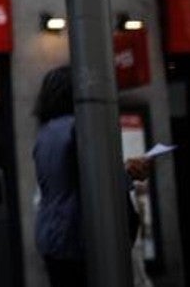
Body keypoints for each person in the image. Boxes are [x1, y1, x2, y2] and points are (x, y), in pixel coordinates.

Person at [33, 65, 153, 287]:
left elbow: (65, 178)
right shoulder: (77, 128)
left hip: (51, 237)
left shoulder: (45, 133)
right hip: (78, 237)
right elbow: (94, 179)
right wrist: (127, 173)